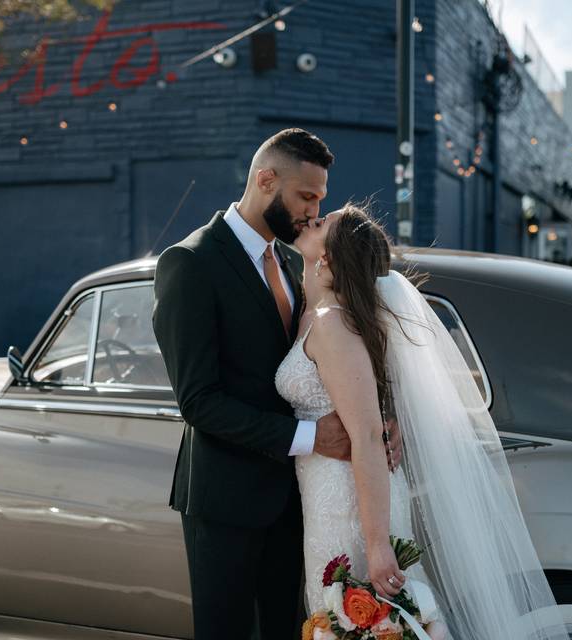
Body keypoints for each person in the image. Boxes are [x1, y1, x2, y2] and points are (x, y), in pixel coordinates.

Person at [152, 129, 402, 640]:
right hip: (226, 502)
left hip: (302, 503)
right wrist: (314, 439)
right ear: (266, 180)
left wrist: (381, 419)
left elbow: (341, 353)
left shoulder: (298, 262)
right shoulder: (191, 263)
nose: (313, 214)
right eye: (305, 197)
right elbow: (198, 401)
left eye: (320, 201)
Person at [277, 203, 571, 639]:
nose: (311, 220)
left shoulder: (331, 325)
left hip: (351, 505)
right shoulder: (312, 314)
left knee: (358, 617)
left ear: (329, 259)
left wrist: (377, 547)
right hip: (325, 495)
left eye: (322, 223)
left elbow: (368, 439)